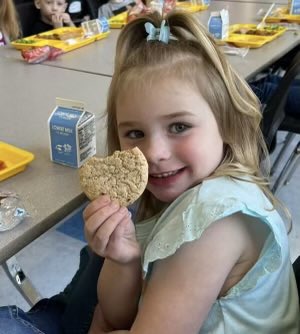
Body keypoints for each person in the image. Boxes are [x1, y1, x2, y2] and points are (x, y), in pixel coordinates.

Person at [83, 11, 300, 333]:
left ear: (226, 123)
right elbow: (118, 315)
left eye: (179, 126)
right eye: (135, 134)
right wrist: (124, 260)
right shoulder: (180, 193)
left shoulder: (213, 218)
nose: (154, 153)